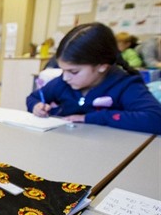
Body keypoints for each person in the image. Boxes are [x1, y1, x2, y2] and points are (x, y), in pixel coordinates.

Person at [27, 22, 161, 134]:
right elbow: (34, 97)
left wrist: (91, 118)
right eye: (63, 70)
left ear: (102, 66)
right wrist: (37, 106)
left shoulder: (125, 85)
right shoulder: (62, 83)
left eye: (73, 71)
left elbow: (156, 119)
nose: (65, 77)